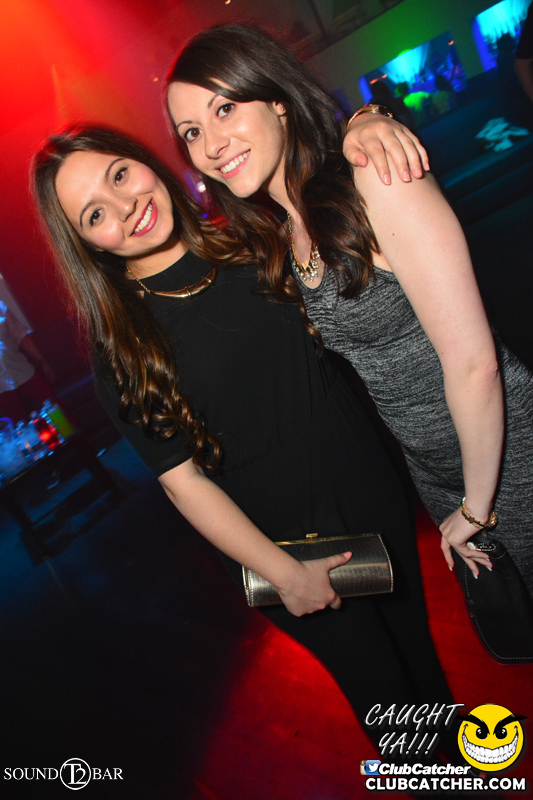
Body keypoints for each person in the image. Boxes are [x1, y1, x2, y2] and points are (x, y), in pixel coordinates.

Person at [32, 126, 455, 759]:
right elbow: (184, 484)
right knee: (388, 703)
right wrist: (285, 575)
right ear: (87, 243)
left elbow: (308, 164)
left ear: (146, 161)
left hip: (372, 499)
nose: (125, 205)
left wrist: (364, 120)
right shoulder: (123, 348)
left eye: (120, 175)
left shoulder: (255, 241)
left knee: (424, 672)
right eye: (95, 214)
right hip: (284, 551)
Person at [166, 23, 533, 598]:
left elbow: (474, 363)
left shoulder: (374, 181)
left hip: (506, 455)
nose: (211, 144)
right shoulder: (284, 239)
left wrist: (477, 506)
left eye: (225, 109)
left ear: (278, 101)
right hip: (437, 470)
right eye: (191, 131)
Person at [0, 299, 56, 422]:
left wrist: (43, 362)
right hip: (2, 390)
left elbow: (21, 335)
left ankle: (74, 434)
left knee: (54, 410)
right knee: (18, 426)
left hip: (23, 373)